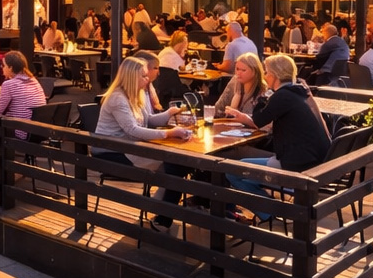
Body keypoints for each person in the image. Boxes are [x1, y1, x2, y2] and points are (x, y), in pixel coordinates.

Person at [93, 57, 192, 228]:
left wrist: (169, 113)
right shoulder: (117, 98)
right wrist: (169, 133)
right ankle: (162, 217)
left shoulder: (136, 94)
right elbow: (133, 130)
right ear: (132, 77)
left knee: (178, 166)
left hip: (130, 147)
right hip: (113, 151)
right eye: (144, 76)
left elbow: (149, 120)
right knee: (176, 166)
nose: (148, 79)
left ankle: (160, 210)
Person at [225, 55, 332, 201]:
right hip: (314, 158)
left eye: (267, 72)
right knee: (244, 170)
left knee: (233, 171)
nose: (265, 76)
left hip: (297, 163)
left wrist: (265, 95)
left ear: (275, 75)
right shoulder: (299, 90)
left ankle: (267, 210)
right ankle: (269, 206)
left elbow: (258, 119)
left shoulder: (282, 96)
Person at [0, 50, 46, 135]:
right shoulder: (34, 80)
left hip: (21, 132)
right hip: (38, 132)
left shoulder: (9, 84)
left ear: (11, 68)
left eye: (4, 65)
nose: (2, 68)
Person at [215, 52, 267, 120]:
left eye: (243, 70)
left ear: (255, 71)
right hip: (229, 123)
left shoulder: (263, 90)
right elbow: (219, 107)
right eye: (237, 69)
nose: (238, 73)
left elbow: (258, 118)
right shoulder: (234, 82)